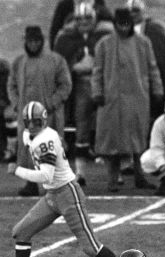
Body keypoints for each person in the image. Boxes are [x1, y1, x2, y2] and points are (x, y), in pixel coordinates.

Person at [7, 101, 120, 257]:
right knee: (21, 232)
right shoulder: (29, 135)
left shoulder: (46, 139)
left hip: (68, 194)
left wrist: (18, 170)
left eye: (36, 122)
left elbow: (46, 175)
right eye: (29, 122)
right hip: (51, 196)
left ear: (43, 121)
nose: (32, 126)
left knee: (91, 247)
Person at [92, 8, 163, 193]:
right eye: (120, 25)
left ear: (131, 23)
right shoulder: (104, 44)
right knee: (111, 143)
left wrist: (157, 89)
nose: (123, 28)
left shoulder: (143, 43)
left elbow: (153, 67)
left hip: (137, 98)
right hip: (111, 100)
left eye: (126, 24)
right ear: (115, 25)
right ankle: (112, 179)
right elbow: (97, 71)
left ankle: (140, 176)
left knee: (138, 140)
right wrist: (97, 92)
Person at [8, 25, 73, 196]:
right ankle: (30, 183)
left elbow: (65, 84)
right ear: (26, 42)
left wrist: (53, 102)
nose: (33, 45)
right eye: (30, 42)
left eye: (36, 41)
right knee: (27, 149)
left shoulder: (56, 60)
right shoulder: (19, 62)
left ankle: (55, 184)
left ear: (42, 41)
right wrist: (17, 104)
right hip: (26, 117)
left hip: (49, 116)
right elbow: (11, 85)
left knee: (50, 149)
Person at [53, 3, 113, 182]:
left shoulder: (106, 33)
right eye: (80, 19)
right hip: (80, 85)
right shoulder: (66, 36)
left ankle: (115, 171)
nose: (84, 22)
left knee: (109, 125)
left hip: (104, 84)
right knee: (82, 126)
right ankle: (80, 172)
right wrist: (74, 66)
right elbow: (60, 64)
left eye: (88, 18)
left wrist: (96, 65)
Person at [127, 0, 165, 120]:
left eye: (135, 10)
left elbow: (163, 61)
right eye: (129, 11)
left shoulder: (154, 29)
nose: (132, 14)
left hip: (151, 84)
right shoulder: (122, 31)